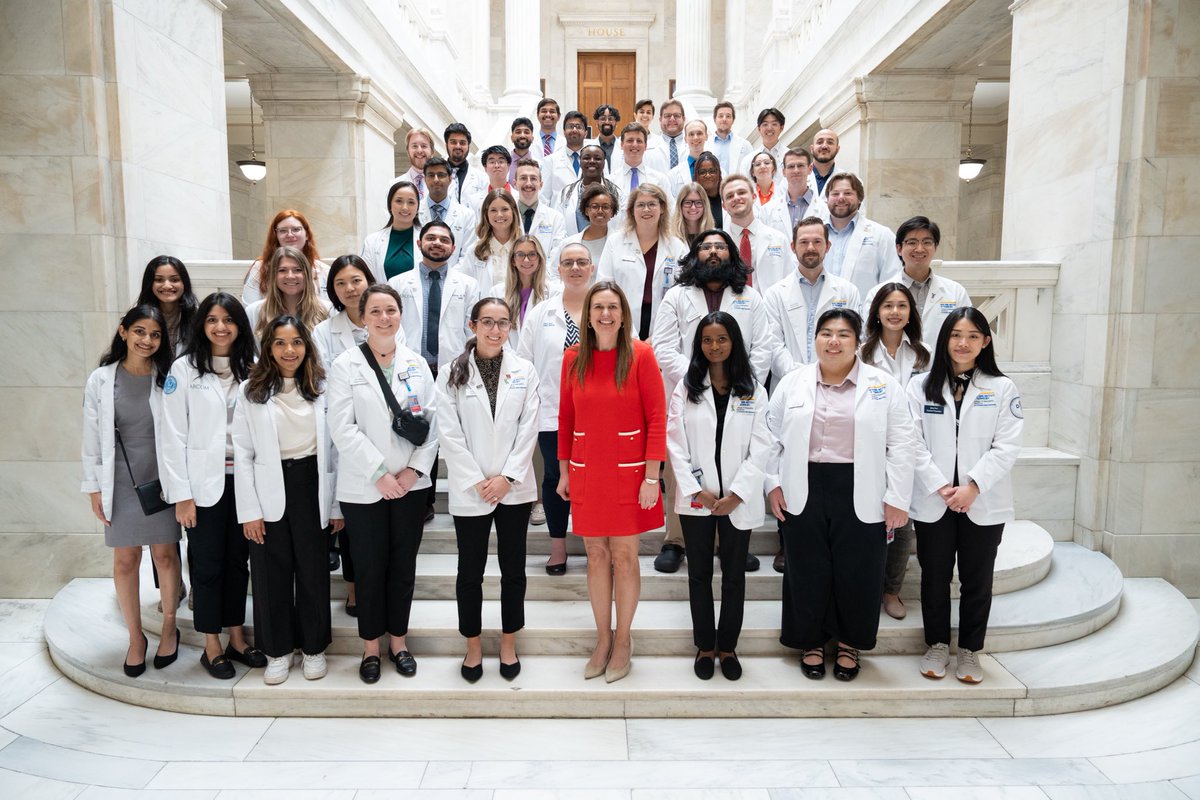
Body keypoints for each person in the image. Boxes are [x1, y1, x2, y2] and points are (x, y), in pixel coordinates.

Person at [765, 308, 914, 682]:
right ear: (815, 340)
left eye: (844, 334)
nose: (834, 341)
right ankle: (810, 640)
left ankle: (850, 643)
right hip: (804, 484)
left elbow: (903, 442)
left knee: (859, 570)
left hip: (862, 486)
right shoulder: (793, 382)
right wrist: (772, 483)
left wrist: (898, 496)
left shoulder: (882, 386)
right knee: (806, 568)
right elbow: (768, 437)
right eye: (826, 333)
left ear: (858, 342)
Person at [327, 284, 439, 684]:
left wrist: (412, 473)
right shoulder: (345, 366)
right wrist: (380, 474)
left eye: (390, 310)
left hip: (410, 487)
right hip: (365, 487)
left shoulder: (417, 364)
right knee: (370, 567)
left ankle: (399, 643)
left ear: (400, 314)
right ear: (362, 317)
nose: (384, 318)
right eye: (375, 311)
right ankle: (371, 647)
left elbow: (433, 423)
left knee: (402, 566)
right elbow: (342, 427)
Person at [557, 281, 667, 683]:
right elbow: (566, 419)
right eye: (598, 307)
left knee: (624, 555)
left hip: (630, 471)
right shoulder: (573, 359)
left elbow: (657, 417)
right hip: (588, 469)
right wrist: (565, 470)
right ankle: (602, 638)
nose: (606, 314)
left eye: (613, 307)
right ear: (587, 315)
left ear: (624, 315)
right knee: (595, 554)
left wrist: (653, 476)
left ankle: (624, 639)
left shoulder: (640, 355)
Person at [908, 307, 1022, 684]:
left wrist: (972, 486)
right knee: (934, 577)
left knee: (978, 580)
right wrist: (942, 487)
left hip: (982, 501)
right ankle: (938, 644)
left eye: (973, 336)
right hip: (934, 500)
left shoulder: (1002, 389)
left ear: (985, 342)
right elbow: (911, 441)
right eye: (956, 335)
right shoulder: (919, 386)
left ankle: (971, 651)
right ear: (944, 339)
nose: (963, 343)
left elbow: (1006, 447)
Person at [652, 228, 775, 574]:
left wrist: (739, 380)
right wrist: (700, 378)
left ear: (731, 255)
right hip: (689, 393)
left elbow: (763, 346)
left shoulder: (750, 297)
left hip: (737, 395)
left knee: (732, 465)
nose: (713, 252)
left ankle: (729, 541)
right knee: (684, 469)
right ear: (695, 256)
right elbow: (662, 347)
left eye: (720, 246)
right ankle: (675, 541)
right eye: (706, 247)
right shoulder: (677, 296)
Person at [161, 292, 265, 680]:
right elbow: (170, 437)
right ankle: (211, 644)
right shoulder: (184, 370)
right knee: (206, 566)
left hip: (244, 485)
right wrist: (182, 495)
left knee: (239, 564)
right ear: (201, 326)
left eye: (228, 319)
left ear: (240, 325)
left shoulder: (254, 368)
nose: (221, 327)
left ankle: (237, 638)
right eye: (212, 320)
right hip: (202, 487)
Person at [437, 298, 540, 682]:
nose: (495, 330)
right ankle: (474, 644)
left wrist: (507, 477)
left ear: (511, 327)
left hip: (512, 489)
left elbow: (529, 426)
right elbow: (448, 431)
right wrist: (476, 479)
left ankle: (509, 641)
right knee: (470, 572)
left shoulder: (524, 370)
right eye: (487, 322)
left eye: (502, 323)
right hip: (472, 488)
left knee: (513, 570)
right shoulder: (451, 371)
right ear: (472, 325)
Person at [232, 316, 338, 685]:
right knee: (269, 572)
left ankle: (313, 648)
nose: (288, 350)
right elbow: (242, 454)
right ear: (268, 348)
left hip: (311, 483)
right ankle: (277, 651)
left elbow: (335, 450)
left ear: (307, 346)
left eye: (296, 342)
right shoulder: (251, 391)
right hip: (268, 486)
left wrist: (336, 506)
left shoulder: (323, 388)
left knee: (312, 571)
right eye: (279, 343)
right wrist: (249, 510)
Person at [666, 312, 770, 681]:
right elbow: (675, 444)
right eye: (707, 340)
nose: (714, 346)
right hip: (700, 499)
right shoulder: (686, 387)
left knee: (733, 577)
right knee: (698, 575)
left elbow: (763, 445)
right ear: (699, 345)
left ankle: (727, 646)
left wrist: (738, 494)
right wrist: (699, 491)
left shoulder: (753, 388)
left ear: (734, 342)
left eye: (722, 339)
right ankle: (704, 645)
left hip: (737, 501)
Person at [82, 305, 182, 677]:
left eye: (155, 335)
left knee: (166, 556)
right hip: (120, 481)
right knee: (126, 560)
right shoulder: (101, 380)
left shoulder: (167, 377)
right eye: (139, 332)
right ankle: (136, 637)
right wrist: (94, 487)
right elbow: (92, 438)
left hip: (162, 479)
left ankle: (169, 626)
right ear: (123, 332)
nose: (147, 340)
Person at [311, 255, 400, 614]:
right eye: (341, 283)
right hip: (341, 433)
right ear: (332, 289)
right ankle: (353, 588)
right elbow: (320, 382)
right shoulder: (324, 332)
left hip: (386, 434)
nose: (350, 288)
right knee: (346, 520)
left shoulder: (388, 321)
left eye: (357, 280)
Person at [515, 243, 595, 574]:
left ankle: (596, 545)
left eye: (581, 262)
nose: (575, 268)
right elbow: (522, 365)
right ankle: (558, 547)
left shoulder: (606, 308)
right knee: (553, 477)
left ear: (592, 268)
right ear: (558, 269)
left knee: (594, 478)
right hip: (552, 413)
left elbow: (628, 354)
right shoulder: (540, 314)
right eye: (568, 262)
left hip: (597, 414)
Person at [861, 282, 930, 620]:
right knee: (868, 522)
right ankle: (867, 588)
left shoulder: (923, 355)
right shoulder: (861, 354)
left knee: (902, 523)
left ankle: (891, 591)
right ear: (876, 311)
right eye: (888, 305)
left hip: (910, 448)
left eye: (902, 306)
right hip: (870, 449)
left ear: (910, 313)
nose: (894, 312)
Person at [862, 216, 972, 350]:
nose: (919, 249)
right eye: (912, 242)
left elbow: (967, 333)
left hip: (940, 368)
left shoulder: (955, 292)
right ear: (899, 249)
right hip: (893, 367)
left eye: (927, 242)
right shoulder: (877, 292)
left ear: (935, 247)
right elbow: (869, 336)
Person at [596, 184, 688, 342]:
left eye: (652, 204)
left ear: (662, 208)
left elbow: (683, 294)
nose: (646, 209)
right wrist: (627, 334)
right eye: (640, 205)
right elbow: (604, 288)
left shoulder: (677, 246)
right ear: (632, 210)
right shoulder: (615, 242)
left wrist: (655, 338)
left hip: (665, 327)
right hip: (620, 324)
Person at [823, 173, 899, 297]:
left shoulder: (882, 235)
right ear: (827, 198)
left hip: (863, 313)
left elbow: (891, 282)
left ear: (860, 198)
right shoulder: (814, 234)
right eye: (835, 193)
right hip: (820, 313)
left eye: (848, 193)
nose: (841, 198)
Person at [721, 174, 795, 291]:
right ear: (724, 206)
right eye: (729, 196)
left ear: (754, 196)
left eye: (741, 192)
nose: (736, 198)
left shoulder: (778, 239)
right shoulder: (719, 244)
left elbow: (791, 281)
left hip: (771, 307)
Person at [241, 210, 328, 305]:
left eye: (296, 229)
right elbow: (249, 308)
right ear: (276, 236)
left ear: (307, 234)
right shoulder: (259, 269)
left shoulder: (324, 270)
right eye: (283, 231)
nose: (290, 235)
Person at [245, 246, 330, 341]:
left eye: (297, 270)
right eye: (282, 270)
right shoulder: (253, 312)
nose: (290, 276)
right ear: (274, 276)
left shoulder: (327, 311)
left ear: (307, 275)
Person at [492, 235, 551, 351]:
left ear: (540, 258)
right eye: (520, 255)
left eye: (532, 254)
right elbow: (496, 332)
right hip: (508, 360)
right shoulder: (497, 292)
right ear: (513, 260)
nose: (526, 260)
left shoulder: (553, 292)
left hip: (540, 359)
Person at [136, 255, 198, 355]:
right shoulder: (136, 318)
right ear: (150, 283)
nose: (167, 286)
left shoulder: (198, 317)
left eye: (174, 280)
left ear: (184, 283)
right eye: (159, 280)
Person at [555, 144, 621, 236]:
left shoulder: (616, 192)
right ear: (580, 161)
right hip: (573, 247)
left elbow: (621, 225)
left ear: (604, 163)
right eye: (587, 158)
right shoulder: (566, 193)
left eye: (597, 158)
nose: (592, 161)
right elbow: (558, 226)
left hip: (607, 247)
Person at [418, 156, 475, 261]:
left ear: (450, 179)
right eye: (431, 175)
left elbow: (467, 256)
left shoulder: (467, 215)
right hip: (420, 274)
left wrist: (449, 276)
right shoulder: (415, 212)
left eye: (441, 175)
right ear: (425, 179)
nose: (436, 180)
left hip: (455, 275)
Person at [460, 190, 521, 288]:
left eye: (505, 209)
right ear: (486, 215)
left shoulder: (524, 247)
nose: (499, 214)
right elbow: (465, 287)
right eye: (493, 210)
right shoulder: (475, 250)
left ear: (513, 212)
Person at [362, 180, 421, 280]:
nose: (405, 207)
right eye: (399, 201)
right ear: (390, 205)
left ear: (417, 207)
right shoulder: (372, 241)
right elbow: (367, 279)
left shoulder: (428, 239)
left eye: (411, 202)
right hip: (381, 295)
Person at [513, 158, 566, 258]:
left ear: (541, 184)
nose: (528, 183)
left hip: (545, 273)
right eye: (523, 178)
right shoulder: (505, 216)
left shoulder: (556, 218)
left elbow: (557, 255)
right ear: (515, 184)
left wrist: (541, 273)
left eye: (533, 178)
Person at [554, 182, 617, 266]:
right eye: (595, 206)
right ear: (586, 211)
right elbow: (554, 273)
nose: (600, 211)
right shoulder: (568, 244)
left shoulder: (621, 241)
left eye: (605, 207)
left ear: (612, 212)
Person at [609, 123, 668, 199]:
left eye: (639, 141)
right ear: (621, 145)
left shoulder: (660, 180)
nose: (635, 145)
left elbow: (669, 208)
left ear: (645, 146)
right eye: (630, 140)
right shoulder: (611, 181)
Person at [542, 110, 589, 204]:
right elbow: (544, 197)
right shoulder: (550, 161)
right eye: (570, 126)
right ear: (564, 132)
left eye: (578, 127)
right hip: (560, 217)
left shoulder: (596, 161)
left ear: (586, 133)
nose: (574, 130)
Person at [738, 108, 787, 190]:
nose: (769, 128)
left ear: (781, 128)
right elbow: (744, 188)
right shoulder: (748, 160)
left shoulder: (790, 156)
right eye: (765, 124)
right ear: (759, 128)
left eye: (774, 124)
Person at [780, 149, 827, 234]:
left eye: (800, 165)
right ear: (783, 172)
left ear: (810, 169)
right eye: (791, 166)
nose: (796, 170)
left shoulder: (825, 210)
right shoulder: (768, 211)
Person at [748, 151, 792, 238]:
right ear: (753, 172)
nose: (762, 166)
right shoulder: (747, 196)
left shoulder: (784, 194)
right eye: (757, 164)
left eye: (767, 163)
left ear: (774, 169)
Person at [444, 122, 489, 208]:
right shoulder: (435, 176)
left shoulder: (483, 179)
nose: (458, 146)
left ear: (468, 146)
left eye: (462, 143)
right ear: (446, 145)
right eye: (453, 142)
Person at [667, 121, 710, 198]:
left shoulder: (719, 170)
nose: (695, 137)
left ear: (706, 136)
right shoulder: (673, 174)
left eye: (699, 133)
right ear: (685, 139)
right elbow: (671, 203)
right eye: (691, 134)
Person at [711, 101, 753, 177]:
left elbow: (752, 171)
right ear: (714, 119)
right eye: (720, 116)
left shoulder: (745, 145)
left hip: (737, 187)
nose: (724, 119)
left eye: (728, 116)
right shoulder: (706, 144)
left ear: (733, 120)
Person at [670, 182, 716, 246]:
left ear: (705, 205)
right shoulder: (669, 237)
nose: (693, 207)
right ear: (680, 205)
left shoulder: (715, 236)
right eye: (688, 202)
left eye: (698, 202)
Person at [398, 128, 435, 202]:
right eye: (414, 146)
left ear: (432, 151)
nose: (419, 150)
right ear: (408, 151)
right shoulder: (395, 184)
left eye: (424, 146)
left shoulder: (445, 185)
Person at [693, 152, 725, 229]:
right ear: (696, 176)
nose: (707, 175)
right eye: (702, 172)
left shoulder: (727, 197)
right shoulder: (692, 201)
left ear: (719, 173)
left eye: (712, 171)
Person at [657, 99, 687, 173]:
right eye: (667, 116)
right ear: (660, 119)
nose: (672, 119)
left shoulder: (693, 145)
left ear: (683, 119)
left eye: (677, 115)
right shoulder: (649, 147)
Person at [809, 128, 841, 196]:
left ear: (837, 149)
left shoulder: (852, 182)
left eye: (830, 142)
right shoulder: (791, 179)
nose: (824, 146)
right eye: (820, 142)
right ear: (812, 149)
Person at [507, 117, 535, 184]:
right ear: (511, 138)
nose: (522, 135)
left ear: (532, 138)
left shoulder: (541, 165)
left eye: (526, 132)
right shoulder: (505, 163)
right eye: (518, 132)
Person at [592, 104, 620, 168]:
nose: (607, 122)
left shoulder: (624, 147)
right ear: (597, 123)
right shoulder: (589, 146)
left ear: (616, 123)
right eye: (603, 118)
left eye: (610, 119)